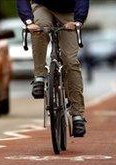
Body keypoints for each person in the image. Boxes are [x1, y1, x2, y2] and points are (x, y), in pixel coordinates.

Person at [17, 0, 89, 137]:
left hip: (69, 11)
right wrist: (28, 22)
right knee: (40, 27)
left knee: (70, 61)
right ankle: (39, 75)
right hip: (43, 6)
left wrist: (78, 21)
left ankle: (77, 115)